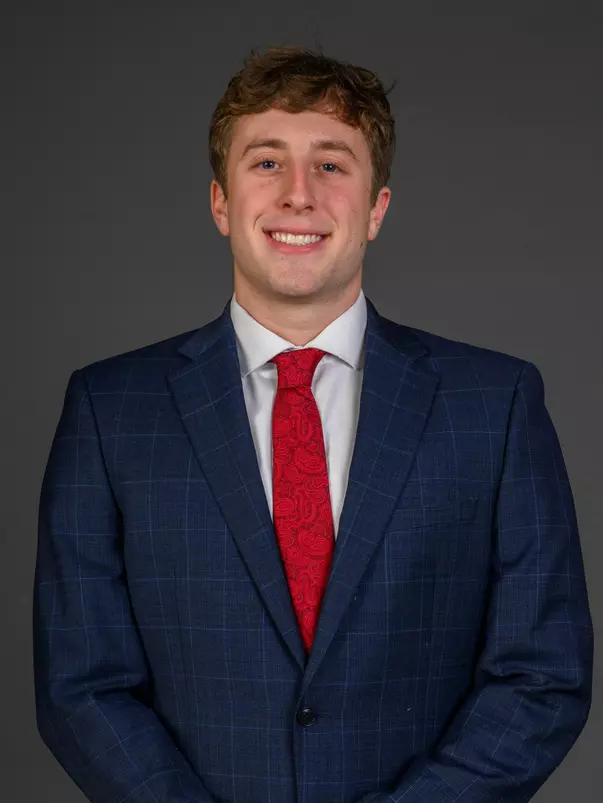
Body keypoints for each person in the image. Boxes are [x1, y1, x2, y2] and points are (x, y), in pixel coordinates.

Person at [33, 45, 593, 803]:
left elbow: (542, 672)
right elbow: (80, 685)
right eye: (266, 162)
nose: (299, 194)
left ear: (376, 208)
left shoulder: (494, 405)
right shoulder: (110, 412)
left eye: (331, 165)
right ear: (220, 202)